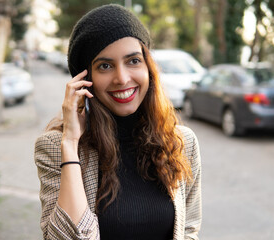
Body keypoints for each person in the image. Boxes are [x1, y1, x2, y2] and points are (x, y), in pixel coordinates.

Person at [34, 4, 201, 240]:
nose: (122, 78)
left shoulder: (182, 143)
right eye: (105, 66)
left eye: (133, 61)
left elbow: (189, 229)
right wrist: (70, 144)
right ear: (85, 79)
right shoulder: (55, 147)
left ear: (148, 67)